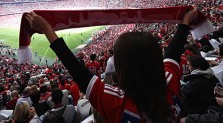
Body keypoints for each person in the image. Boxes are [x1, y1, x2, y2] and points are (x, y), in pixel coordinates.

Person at [25, 8, 198, 123]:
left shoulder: (117, 102)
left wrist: (47, 30)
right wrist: (185, 24)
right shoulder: (170, 82)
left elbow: (77, 70)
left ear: (123, 68)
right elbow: (173, 52)